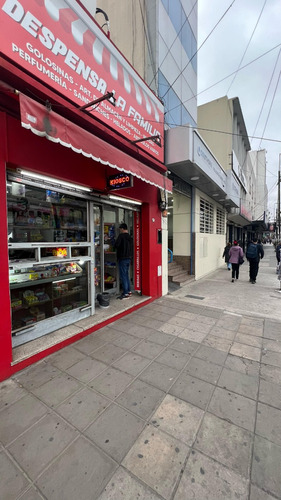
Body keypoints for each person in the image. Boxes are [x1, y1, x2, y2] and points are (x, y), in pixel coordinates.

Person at [114, 223, 133, 299]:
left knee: (123, 276)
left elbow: (116, 246)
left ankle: (125, 293)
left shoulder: (121, 236)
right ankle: (129, 291)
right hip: (128, 258)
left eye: (120, 229)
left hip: (122, 258)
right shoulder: (130, 237)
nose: (120, 231)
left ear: (122, 229)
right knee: (126, 275)